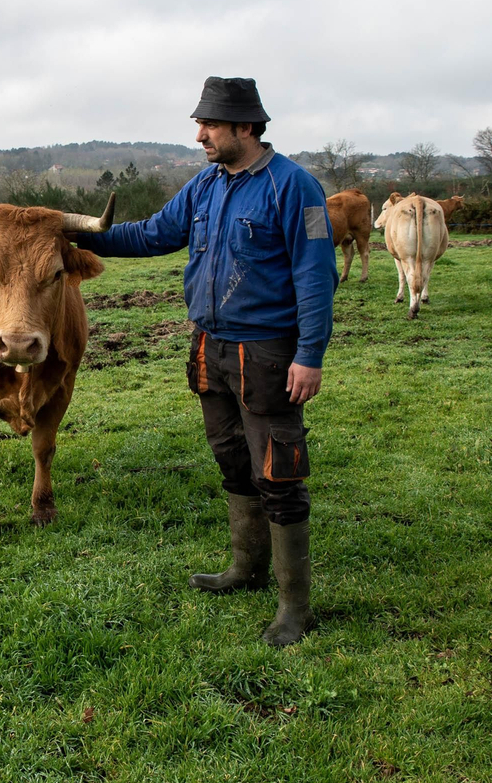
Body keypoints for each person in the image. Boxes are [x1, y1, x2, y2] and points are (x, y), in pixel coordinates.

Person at [75, 77, 336, 646]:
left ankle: (296, 608)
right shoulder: (205, 187)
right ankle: (246, 568)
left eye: (210, 125)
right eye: (199, 125)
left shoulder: (296, 188)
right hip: (208, 348)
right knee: (232, 460)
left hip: (267, 352)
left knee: (280, 472)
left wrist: (309, 355)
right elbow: (150, 235)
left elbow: (316, 276)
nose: (200, 136)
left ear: (246, 127)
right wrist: (75, 237)